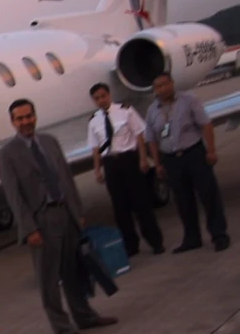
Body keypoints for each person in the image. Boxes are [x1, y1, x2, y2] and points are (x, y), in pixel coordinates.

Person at [0, 98, 118, 334]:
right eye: (19, 118)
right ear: (12, 122)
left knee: (74, 271)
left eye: (28, 116)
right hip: (42, 221)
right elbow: (14, 195)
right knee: (49, 279)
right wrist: (29, 228)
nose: (25, 122)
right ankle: (63, 329)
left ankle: (84, 316)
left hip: (66, 213)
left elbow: (66, 178)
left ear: (35, 116)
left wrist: (77, 211)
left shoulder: (49, 142)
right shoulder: (7, 154)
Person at [144, 72, 230, 253]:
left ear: (172, 83)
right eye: (158, 87)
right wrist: (158, 164)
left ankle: (219, 235)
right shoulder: (152, 110)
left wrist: (211, 150)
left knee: (209, 196)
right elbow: (151, 139)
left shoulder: (189, 100)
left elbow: (206, 125)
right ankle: (192, 238)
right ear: (154, 90)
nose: (162, 89)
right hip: (171, 160)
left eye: (165, 84)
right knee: (183, 201)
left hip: (194, 155)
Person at [86, 82, 165, 256]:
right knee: (120, 208)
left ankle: (155, 242)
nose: (101, 100)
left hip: (129, 159)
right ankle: (131, 245)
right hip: (111, 164)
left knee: (141, 203)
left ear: (109, 95)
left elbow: (139, 136)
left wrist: (143, 159)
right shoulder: (93, 121)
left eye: (103, 96)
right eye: (97, 98)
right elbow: (95, 148)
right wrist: (97, 170)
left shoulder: (125, 110)